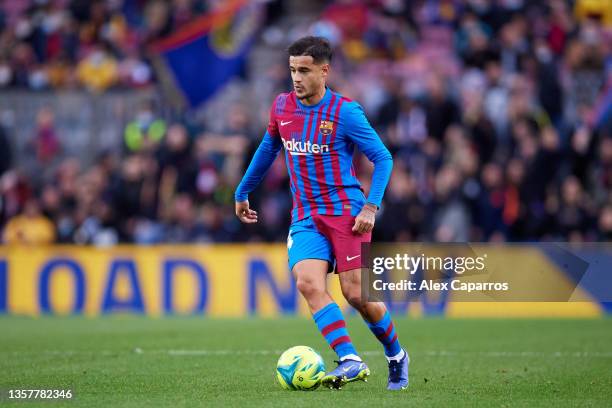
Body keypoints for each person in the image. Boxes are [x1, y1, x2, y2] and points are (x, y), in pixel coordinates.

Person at [234, 36, 408, 390]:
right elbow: (269, 148)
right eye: (292, 70)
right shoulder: (282, 108)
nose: (296, 78)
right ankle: (349, 359)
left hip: (347, 214)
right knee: (308, 283)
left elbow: (383, 157)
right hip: (306, 217)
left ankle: (396, 355)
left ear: (324, 71)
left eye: (304, 71)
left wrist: (371, 206)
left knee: (356, 295)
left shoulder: (345, 112)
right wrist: (242, 190)